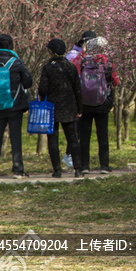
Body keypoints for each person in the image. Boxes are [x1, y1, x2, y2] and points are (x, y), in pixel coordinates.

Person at [0, 34, 33, 179]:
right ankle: (17, 170)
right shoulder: (16, 63)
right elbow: (28, 82)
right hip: (14, 106)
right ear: (11, 45)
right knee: (15, 137)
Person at [38, 38, 84, 178]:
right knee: (73, 139)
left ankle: (57, 170)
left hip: (52, 108)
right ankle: (78, 169)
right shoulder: (70, 67)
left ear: (51, 52)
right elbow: (78, 89)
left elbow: (43, 89)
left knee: (53, 139)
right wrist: (79, 108)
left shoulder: (48, 68)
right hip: (69, 107)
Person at [77, 37, 119, 174]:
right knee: (102, 135)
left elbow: (76, 77)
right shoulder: (107, 63)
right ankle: (104, 166)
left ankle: (84, 166)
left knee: (84, 136)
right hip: (102, 104)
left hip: (84, 104)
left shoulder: (82, 61)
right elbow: (116, 81)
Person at [62, 30, 95, 169]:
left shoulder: (87, 56)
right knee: (75, 129)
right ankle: (69, 156)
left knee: (79, 130)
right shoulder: (73, 55)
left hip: (82, 96)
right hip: (74, 97)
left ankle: (72, 156)